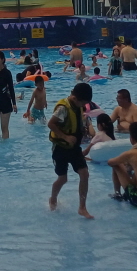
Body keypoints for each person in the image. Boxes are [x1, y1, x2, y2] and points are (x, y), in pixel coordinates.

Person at [48, 81, 94, 219]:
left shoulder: (77, 106)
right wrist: (65, 137)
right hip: (60, 148)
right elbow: (51, 124)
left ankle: (82, 207)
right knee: (63, 179)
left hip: (74, 148)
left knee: (84, 174)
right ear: (75, 98)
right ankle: (53, 199)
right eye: (83, 103)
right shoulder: (63, 108)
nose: (83, 106)